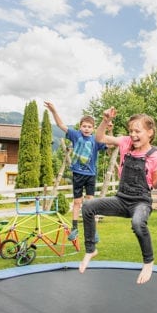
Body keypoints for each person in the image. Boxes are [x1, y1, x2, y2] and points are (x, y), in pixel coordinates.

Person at [79, 107, 157, 284]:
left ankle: (148, 262)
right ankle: (91, 249)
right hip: (121, 199)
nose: (133, 134)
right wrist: (105, 121)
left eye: (138, 131)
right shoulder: (125, 142)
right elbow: (99, 138)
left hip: (141, 202)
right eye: (131, 130)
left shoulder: (154, 155)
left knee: (137, 223)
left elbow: (155, 185)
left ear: (150, 133)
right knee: (88, 206)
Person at [44, 101, 107, 240]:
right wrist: (54, 111)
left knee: (90, 203)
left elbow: (109, 146)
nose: (86, 128)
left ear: (93, 128)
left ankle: (92, 230)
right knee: (77, 202)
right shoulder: (74, 135)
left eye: (89, 127)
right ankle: (74, 229)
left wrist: (109, 129)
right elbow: (61, 125)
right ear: (80, 127)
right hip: (78, 174)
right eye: (84, 126)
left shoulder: (96, 139)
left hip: (90, 175)